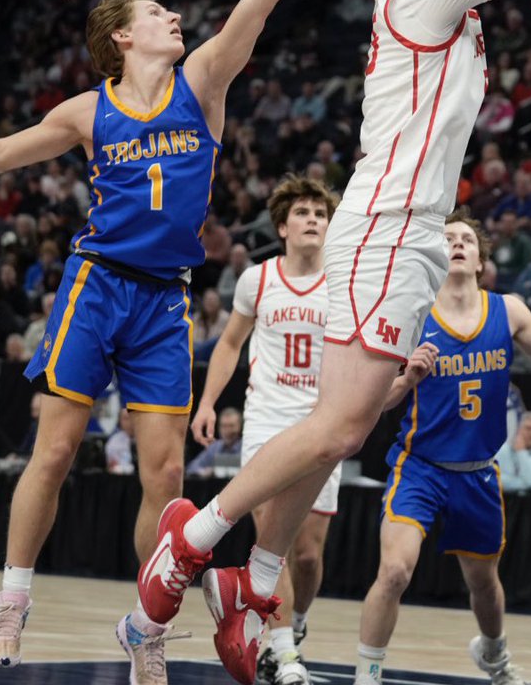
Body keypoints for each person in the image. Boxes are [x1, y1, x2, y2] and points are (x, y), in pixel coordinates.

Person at [0, 0, 378, 679]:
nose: (175, 18)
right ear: (124, 36)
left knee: (164, 475)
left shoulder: (203, 82)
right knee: (57, 449)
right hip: (97, 285)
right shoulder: (86, 111)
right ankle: (12, 600)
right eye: (158, 13)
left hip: (164, 298)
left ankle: (148, 628)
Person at [135, 0, 531, 685]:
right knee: (339, 429)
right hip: (390, 227)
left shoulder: (420, 0)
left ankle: (254, 586)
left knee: (342, 425)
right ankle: (195, 538)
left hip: (391, 227)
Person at [356, 211, 531, 685]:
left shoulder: (508, 310)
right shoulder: (412, 314)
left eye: (466, 240)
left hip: (477, 471)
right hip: (420, 467)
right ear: (436, 256)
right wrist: (407, 378)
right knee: (394, 572)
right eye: (447, 238)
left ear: (481, 261)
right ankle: (367, 675)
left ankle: (494, 656)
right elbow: (375, 402)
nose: (457, 244)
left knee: (483, 584)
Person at [190, 176, 338, 685]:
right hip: (268, 420)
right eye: (302, 213)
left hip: (321, 422)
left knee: (309, 555)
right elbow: (230, 344)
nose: (313, 220)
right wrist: (208, 402)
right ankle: (284, 652)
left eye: (320, 213)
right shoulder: (258, 279)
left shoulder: (344, 280)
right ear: (282, 227)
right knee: (273, 543)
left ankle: (295, 623)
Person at [185, 407, 244, 478]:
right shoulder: (214, 448)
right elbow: (191, 468)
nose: (227, 431)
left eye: (231, 426)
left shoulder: (246, 446)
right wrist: (206, 471)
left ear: (240, 426)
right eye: (224, 426)